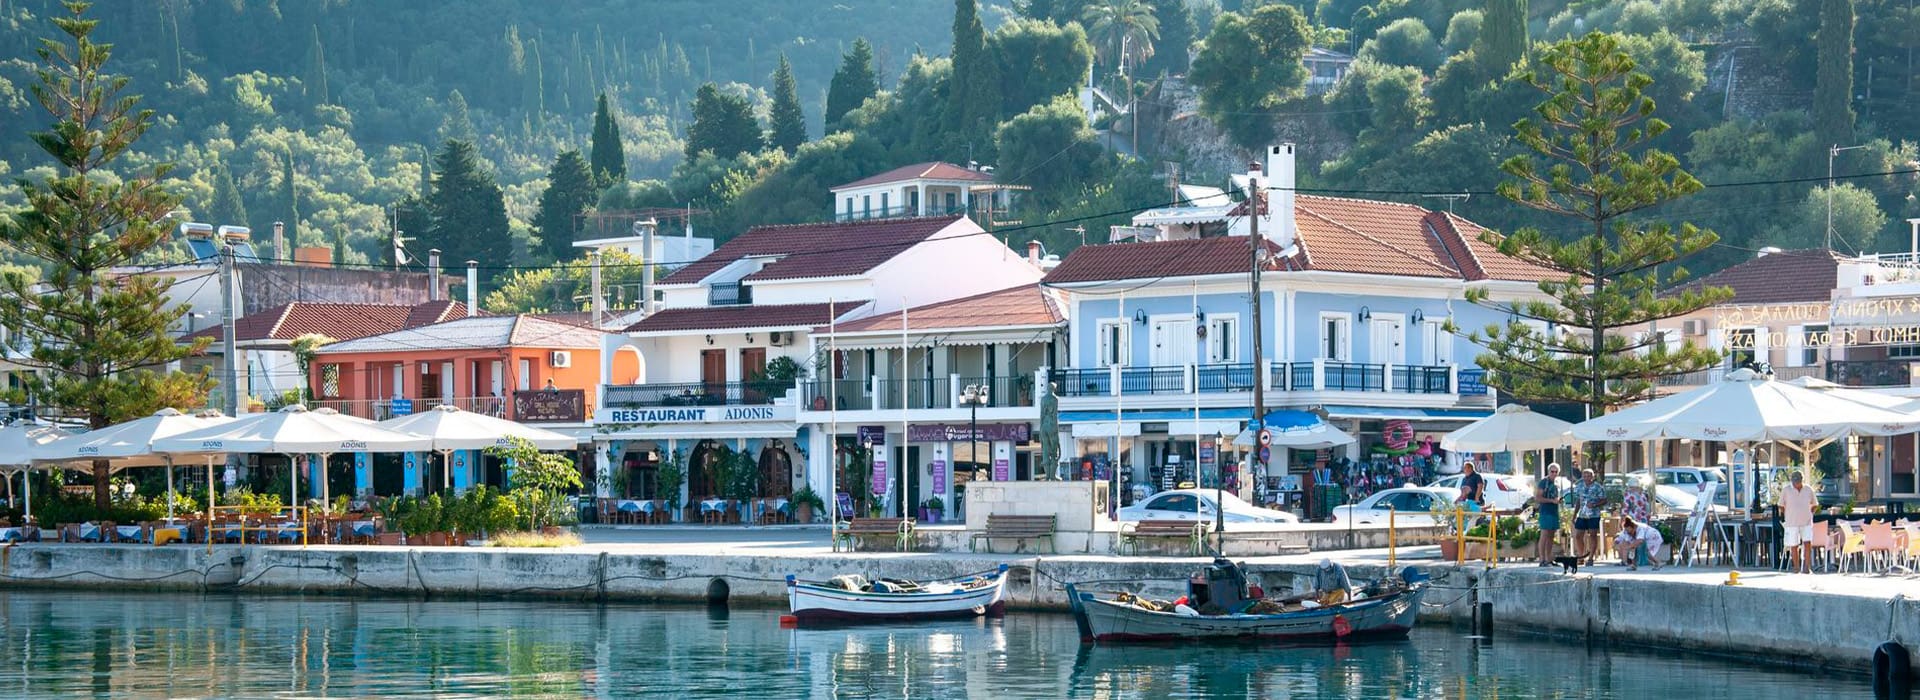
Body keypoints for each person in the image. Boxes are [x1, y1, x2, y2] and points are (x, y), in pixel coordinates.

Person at [1779, 470, 1818, 574]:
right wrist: (1787, 513)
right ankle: (1796, 567)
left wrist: (1810, 513)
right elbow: (1781, 505)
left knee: (1807, 543)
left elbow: (1815, 504)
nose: (1796, 484)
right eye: (1795, 481)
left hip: (1806, 522)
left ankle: (1806, 567)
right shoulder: (1786, 490)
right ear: (1792, 481)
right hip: (1792, 522)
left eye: (1798, 481)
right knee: (1794, 545)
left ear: (1802, 480)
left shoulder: (1808, 489)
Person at [1571, 468, 1605, 566]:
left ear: (1592, 477)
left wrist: (1594, 504)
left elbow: (1604, 500)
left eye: (1588, 476)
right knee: (1578, 535)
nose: (1586, 478)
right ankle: (1581, 556)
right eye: (1584, 476)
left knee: (1593, 535)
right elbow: (1578, 501)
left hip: (1593, 515)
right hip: (1582, 514)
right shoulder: (1580, 486)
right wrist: (1574, 515)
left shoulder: (1598, 487)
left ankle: (1590, 558)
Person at [1535, 463, 1564, 566]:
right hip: (1545, 512)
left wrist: (1558, 501)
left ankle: (1548, 558)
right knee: (1544, 534)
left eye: (1556, 472)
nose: (1554, 473)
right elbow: (1538, 497)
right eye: (1552, 471)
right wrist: (1551, 501)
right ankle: (1542, 559)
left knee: (1551, 535)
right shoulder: (1543, 482)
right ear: (1548, 472)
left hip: (1554, 512)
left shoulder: (1556, 483)